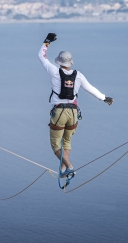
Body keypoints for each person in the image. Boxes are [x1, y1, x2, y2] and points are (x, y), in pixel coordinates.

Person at [38, 32, 113, 179]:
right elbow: (91, 89)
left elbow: (41, 56)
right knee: (66, 142)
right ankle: (64, 170)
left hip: (59, 112)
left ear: (59, 62)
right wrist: (105, 98)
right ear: (70, 62)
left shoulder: (54, 71)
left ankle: (70, 167)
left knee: (55, 145)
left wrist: (47, 42)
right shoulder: (78, 75)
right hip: (73, 114)